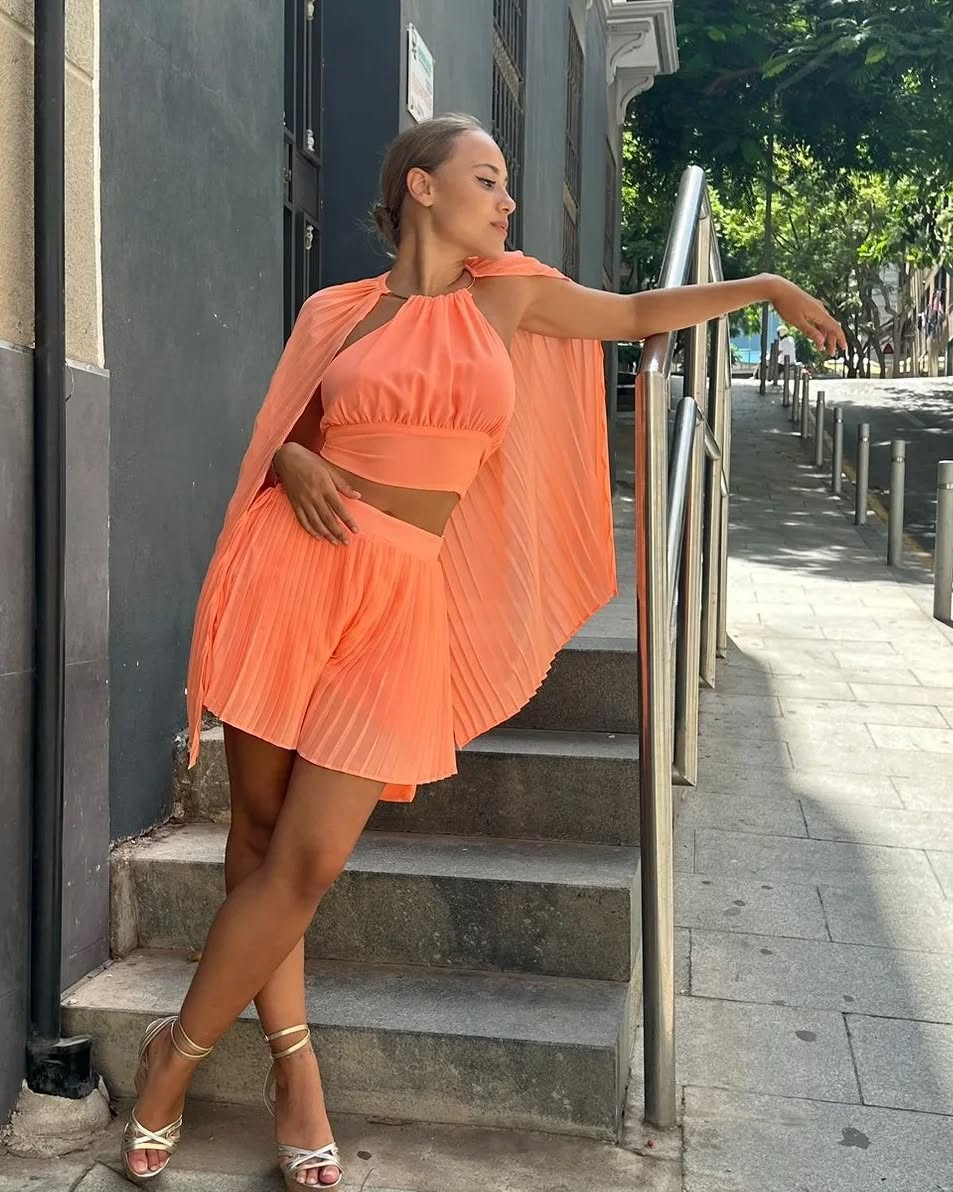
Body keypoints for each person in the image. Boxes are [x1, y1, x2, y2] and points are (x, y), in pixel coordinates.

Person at [120, 113, 846, 1188]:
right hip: (295, 569)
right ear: (421, 187)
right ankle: (287, 1068)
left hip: (401, 594)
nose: (507, 201)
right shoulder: (336, 311)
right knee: (260, 834)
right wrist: (289, 458)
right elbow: (283, 433)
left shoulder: (508, 296)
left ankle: (168, 1056)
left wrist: (766, 286)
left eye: (505, 185)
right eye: (487, 179)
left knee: (308, 860)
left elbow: (633, 313)